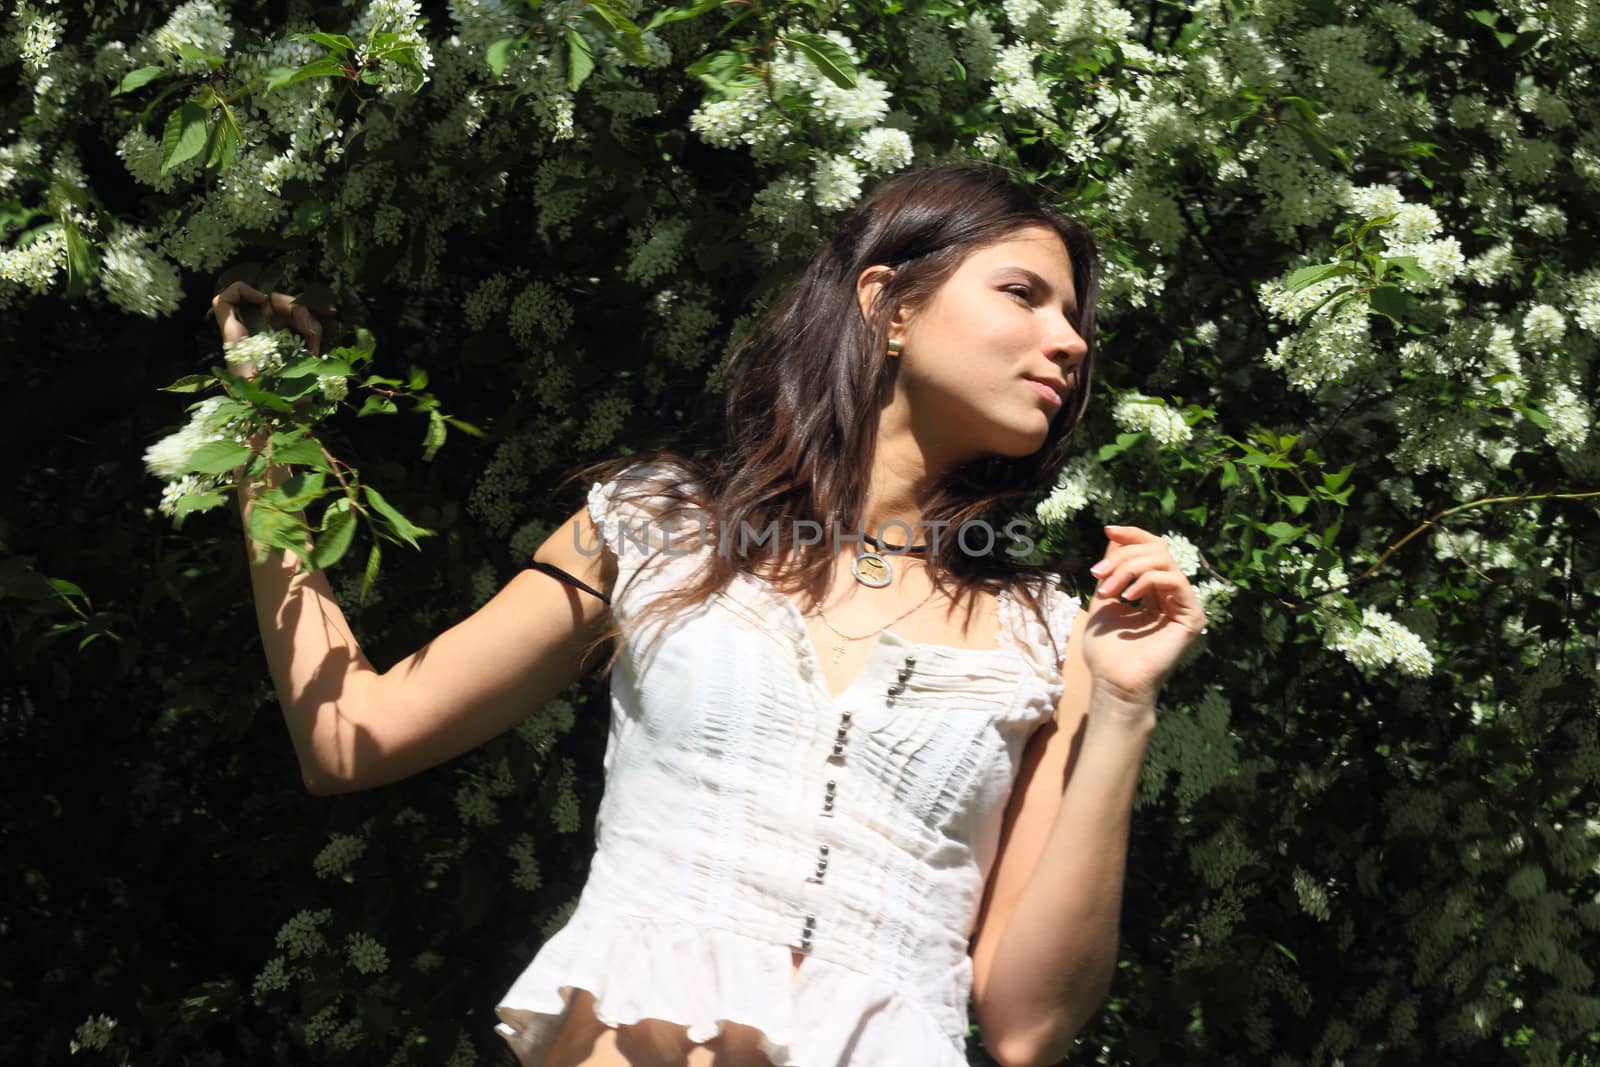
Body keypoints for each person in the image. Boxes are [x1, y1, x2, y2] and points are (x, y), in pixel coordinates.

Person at [214, 161, 1207, 1067]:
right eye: (1023, 294)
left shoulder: (1046, 630)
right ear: (888, 304)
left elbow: (1028, 1023)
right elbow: (351, 735)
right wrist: (266, 448)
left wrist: (1123, 705)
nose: (1069, 341)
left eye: (1074, 317)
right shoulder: (657, 526)